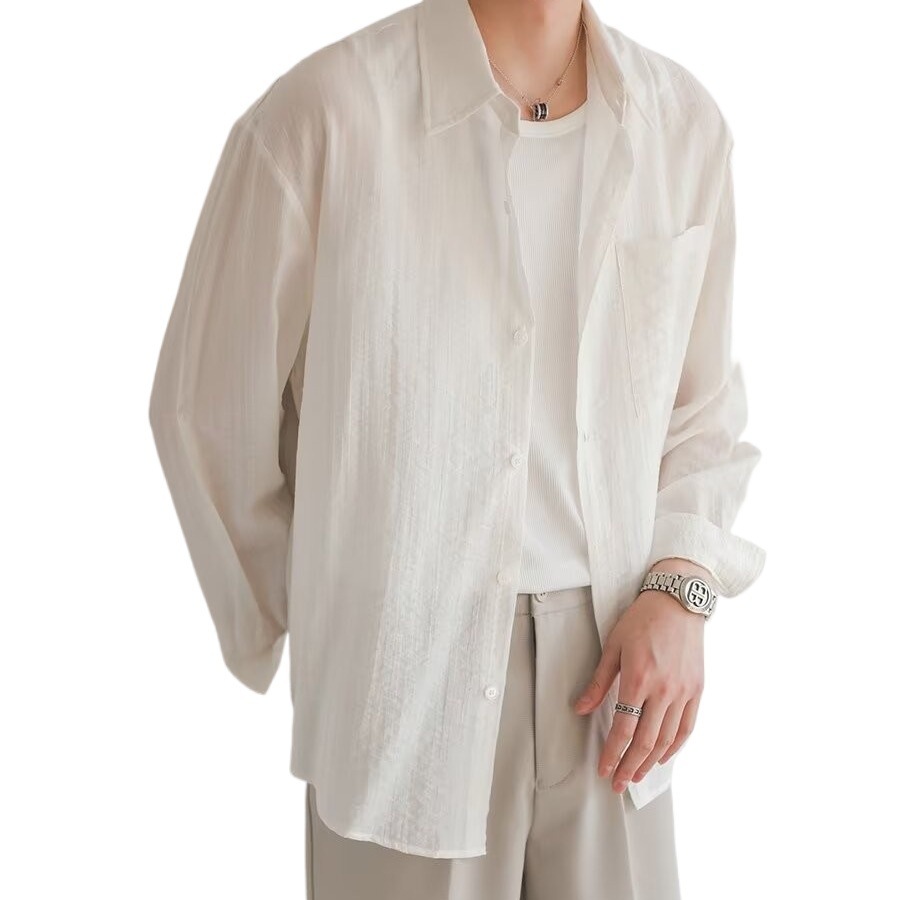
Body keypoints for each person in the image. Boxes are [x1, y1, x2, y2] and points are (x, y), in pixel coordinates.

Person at [148, 0, 766, 896]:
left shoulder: (683, 126)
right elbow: (205, 410)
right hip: (402, 693)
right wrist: (344, 612)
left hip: (619, 680)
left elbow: (701, 413)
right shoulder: (325, 116)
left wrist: (681, 590)